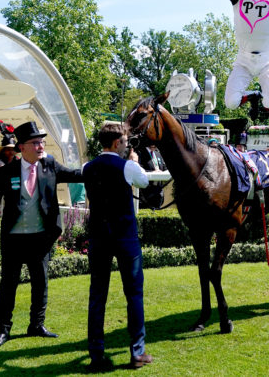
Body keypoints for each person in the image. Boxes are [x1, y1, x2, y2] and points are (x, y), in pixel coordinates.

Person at [0, 122, 84, 348]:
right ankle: (3, 330)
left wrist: (104, 166)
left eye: (42, 142)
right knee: (8, 283)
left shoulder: (49, 165)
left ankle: (36, 325)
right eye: (35, 142)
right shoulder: (7, 171)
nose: (41, 146)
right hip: (13, 238)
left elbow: (75, 175)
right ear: (22, 147)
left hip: (41, 237)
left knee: (41, 283)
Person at [83, 122, 153, 371]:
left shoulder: (87, 168)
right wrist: (134, 160)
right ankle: (137, 352)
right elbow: (144, 182)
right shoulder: (128, 166)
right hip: (125, 238)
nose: (127, 146)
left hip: (99, 238)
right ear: (116, 143)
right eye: (125, 142)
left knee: (97, 296)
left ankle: (96, 354)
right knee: (134, 294)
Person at [135, 144, 167, 210]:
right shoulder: (140, 153)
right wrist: (152, 172)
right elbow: (138, 169)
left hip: (158, 192)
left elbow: (164, 168)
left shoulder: (158, 153)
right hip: (145, 194)